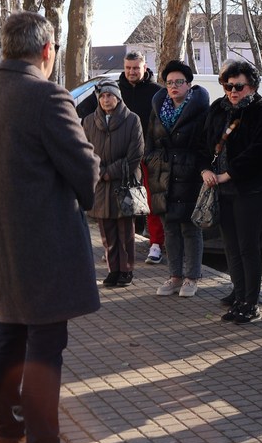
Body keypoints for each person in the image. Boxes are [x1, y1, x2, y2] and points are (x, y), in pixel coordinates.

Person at [0, 11, 99, 443]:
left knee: (11, 332)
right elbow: (84, 167)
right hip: (46, 239)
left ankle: (9, 428)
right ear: (48, 50)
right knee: (45, 344)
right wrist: (88, 189)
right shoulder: (46, 95)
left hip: (4, 237)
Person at [200, 60, 262, 322]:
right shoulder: (218, 109)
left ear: (252, 86)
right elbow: (204, 143)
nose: (233, 91)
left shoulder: (261, 111)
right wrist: (205, 170)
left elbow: (259, 151)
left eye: (239, 86)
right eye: (228, 86)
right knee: (230, 246)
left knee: (248, 247)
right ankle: (239, 293)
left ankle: (250, 302)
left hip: (249, 188)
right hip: (222, 188)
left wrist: (229, 173)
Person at [78, 53, 166, 264]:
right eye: (128, 67)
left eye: (136, 67)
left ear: (145, 67)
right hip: (119, 157)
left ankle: (155, 244)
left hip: (148, 156)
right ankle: (122, 249)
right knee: (121, 204)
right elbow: (83, 110)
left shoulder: (157, 92)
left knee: (150, 202)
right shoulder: (114, 89)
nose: (131, 72)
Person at [146, 59, 211, 299]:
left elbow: (205, 144)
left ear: (189, 84)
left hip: (190, 176)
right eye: (170, 82)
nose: (174, 87)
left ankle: (192, 277)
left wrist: (194, 164)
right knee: (170, 228)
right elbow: (150, 141)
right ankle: (174, 276)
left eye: (179, 82)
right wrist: (153, 160)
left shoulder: (201, 109)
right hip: (162, 175)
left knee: (190, 228)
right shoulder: (157, 108)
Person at [82, 78, 145, 289]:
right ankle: (113, 270)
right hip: (100, 185)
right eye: (102, 96)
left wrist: (110, 172)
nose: (106, 100)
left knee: (125, 231)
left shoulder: (132, 120)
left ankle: (126, 270)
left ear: (118, 98)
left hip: (124, 183)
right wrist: (99, 171)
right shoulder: (89, 121)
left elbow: (136, 154)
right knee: (107, 231)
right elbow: (84, 151)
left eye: (110, 96)